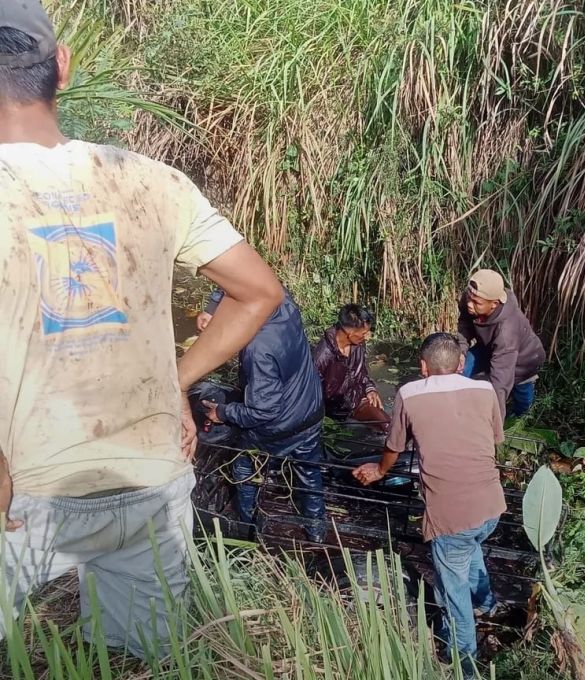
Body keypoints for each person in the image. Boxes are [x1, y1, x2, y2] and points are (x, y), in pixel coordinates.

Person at [0, 1, 283, 660]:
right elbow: (258, 292)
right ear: (61, 67)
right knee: (143, 664)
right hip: (150, 483)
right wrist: (173, 381)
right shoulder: (151, 181)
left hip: (24, 490)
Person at [353, 333, 507, 676]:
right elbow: (495, 438)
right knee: (470, 547)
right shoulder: (486, 391)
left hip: (451, 516)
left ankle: (463, 662)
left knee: (453, 594)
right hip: (492, 506)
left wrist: (379, 471)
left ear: (423, 367)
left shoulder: (408, 393)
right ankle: (487, 603)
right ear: (462, 364)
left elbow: (394, 446)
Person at [201, 289, 327, 542]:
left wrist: (222, 412)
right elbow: (247, 280)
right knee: (309, 473)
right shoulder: (283, 305)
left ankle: (247, 529)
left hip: (277, 427)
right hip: (310, 409)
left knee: (245, 470)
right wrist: (212, 307)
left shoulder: (257, 350)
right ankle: (317, 532)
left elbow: (262, 411)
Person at [458, 269, 545, 419]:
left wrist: (495, 423)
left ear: (494, 304)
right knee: (460, 367)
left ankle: (521, 416)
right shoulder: (471, 298)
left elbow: (500, 382)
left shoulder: (506, 330)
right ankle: (455, 403)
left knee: (522, 395)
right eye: (469, 298)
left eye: (476, 303)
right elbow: (465, 324)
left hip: (523, 360)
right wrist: (460, 350)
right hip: (488, 348)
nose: (469, 305)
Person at [312, 304, 390, 433]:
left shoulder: (358, 343)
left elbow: (362, 372)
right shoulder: (322, 356)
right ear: (350, 332)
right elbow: (312, 395)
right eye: (364, 333)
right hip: (332, 412)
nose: (367, 336)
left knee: (387, 426)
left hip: (356, 400)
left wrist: (370, 389)